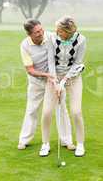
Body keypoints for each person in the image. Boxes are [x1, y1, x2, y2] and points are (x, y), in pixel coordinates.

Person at [17, 19, 75, 156]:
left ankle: (66, 140)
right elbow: (30, 69)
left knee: (61, 108)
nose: (41, 33)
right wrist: (46, 75)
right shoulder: (25, 45)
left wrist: (55, 78)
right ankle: (24, 140)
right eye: (37, 32)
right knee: (32, 109)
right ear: (29, 34)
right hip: (36, 82)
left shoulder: (50, 37)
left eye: (41, 29)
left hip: (54, 81)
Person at [48, 16, 86, 156]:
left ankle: (80, 144)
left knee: (76, 111)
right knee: (59, 108)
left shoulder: (81, 40)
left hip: (73, 78)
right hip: (55, 77)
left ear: (68, 31)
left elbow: (77, 63)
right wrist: (55, 81)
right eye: (57, 30)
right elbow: (51, 61)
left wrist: (64, 81)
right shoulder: (52, 38)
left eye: (60, 30)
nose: (57, 32)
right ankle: (66, 139)